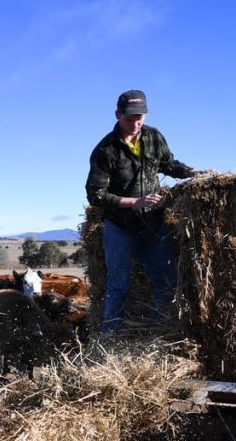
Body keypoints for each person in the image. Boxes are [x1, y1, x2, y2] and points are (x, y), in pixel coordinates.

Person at [85, 89, 204, 332]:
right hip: (120, 227)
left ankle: (164, 332)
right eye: (130, 118)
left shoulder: (153, 137)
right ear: (118, 115)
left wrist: (193, 173)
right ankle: (110, 340)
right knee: (118, 286)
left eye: (140, 117)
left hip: (154, 224)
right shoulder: (105, 150)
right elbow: (95, 194)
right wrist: (134, 202)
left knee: (166, 280)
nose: (136, 122)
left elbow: (169, 164)